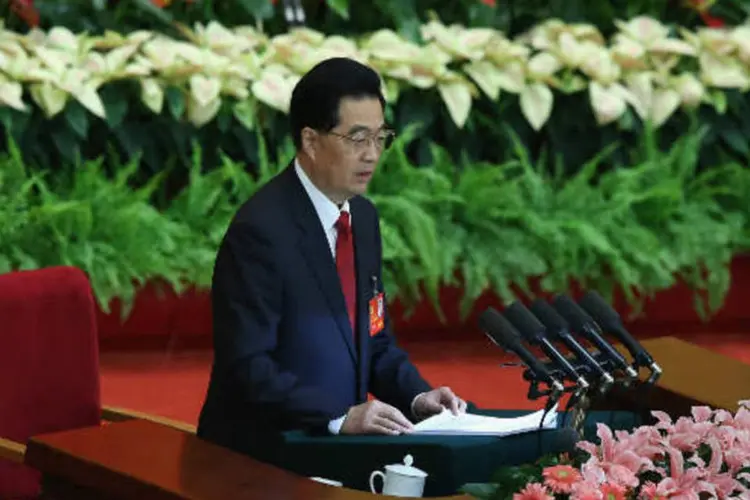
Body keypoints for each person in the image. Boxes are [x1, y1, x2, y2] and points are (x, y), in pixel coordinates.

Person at [197, 57, 466, 464]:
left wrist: (417, 396)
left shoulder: (363, 217)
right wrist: (338, 416)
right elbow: (249, 366)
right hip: (261, 458)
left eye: (380, 137)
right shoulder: (261, 231)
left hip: (336, 455)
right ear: (310, 140)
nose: (372, 154)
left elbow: (373, 340)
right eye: (357, 138)